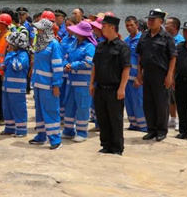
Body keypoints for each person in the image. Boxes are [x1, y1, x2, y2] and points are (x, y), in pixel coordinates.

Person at [90, 16, 131, 155]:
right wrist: (92, 83)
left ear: (112, 27)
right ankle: (106, 144)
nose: (101, 29)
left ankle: (117, 147)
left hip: (114, 89)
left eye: (104, 26)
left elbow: (126, 68)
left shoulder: (122, 47)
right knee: (102, 118)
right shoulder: (100, 46)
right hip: (100, 88)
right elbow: (94, 66)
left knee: (116, 119)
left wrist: (122, 88)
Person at [135, 10, 177, 142]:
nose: (150, 21)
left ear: (161, 22)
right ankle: (151, 129)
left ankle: (161, 130)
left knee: (161, 103)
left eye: (154, 19)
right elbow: (140, 55)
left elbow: (173, 57)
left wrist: (170, 75)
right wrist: (139, 73)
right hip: (147, 73)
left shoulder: (166, 37)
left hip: (161, 74)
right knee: (148, 103)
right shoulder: (144, 36)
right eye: (149, 19)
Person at [29, 18, 64, 150]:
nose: (38, 31)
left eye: (40, 29)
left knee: (51, 111)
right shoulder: (39, 43)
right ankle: (41, 135)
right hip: (38, 83)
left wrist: (56, 85)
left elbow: (57, 67)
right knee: (39, 111)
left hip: (49, 85)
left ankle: (55, 139)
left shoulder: (54, 45)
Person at [62, 21, 97, 142]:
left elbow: (88, 62)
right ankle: (68, 130)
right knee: (70, 105)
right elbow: (65, 57)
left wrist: (73, 65)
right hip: (71, 81)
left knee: (82, 107)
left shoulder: (89, 46)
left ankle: (82, 132)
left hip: (83, 83)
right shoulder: (73, 44)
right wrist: (65, 65)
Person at [0, 32, 30, 137]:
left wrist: (11, 54)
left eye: (11, 44)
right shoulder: (11, 54)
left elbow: (17, 66)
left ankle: (21, 130)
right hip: (7, 87)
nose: (8, 46)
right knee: (7, 108)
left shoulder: (23, 55)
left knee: (18, 109)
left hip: (17, 89)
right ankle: (9, 128)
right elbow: (5, 65)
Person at [123, 16, 148, 132]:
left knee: (139, 102)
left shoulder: (141, 40)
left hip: (137, 77)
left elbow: (141, 59)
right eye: (127, 25)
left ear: (137, 25)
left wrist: (140, 76)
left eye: (131, 25)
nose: (129, 27)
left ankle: (143, 125)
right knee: (129, 102)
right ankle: (133, 123)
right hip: (127, 77)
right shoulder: (126, 40)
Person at [165, 16, 184, 131]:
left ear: (175, 27)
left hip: (177, 73)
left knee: (178, 98)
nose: (165, 26)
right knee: (170, 98)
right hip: (167, 72)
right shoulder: (165, 38)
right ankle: (173, 118)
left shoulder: (180, 41)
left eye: (167, 24)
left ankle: (181, 120)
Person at [0, 13, 12, 125]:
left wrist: (4, 71)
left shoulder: (9, 37)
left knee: (1, 96)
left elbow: (8, 55)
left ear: (4, 24)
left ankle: (2, 117)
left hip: (3, 71)